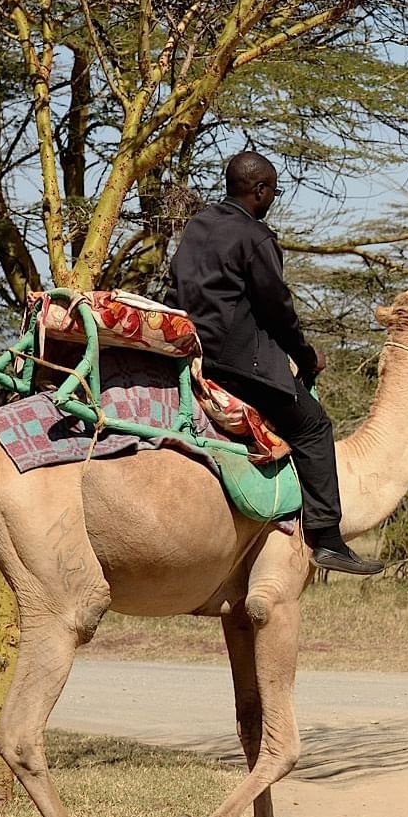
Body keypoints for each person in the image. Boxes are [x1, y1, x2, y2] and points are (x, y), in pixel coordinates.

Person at [165, 151, 382, 575]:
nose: (273, 199)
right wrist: (305, 357)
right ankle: (328, 539)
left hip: (192, 358)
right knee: (314, 426)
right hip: (240, 364)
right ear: (261, 190)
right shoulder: (256, 237)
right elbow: (277, 310)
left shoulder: (197, 226)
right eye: (274, 191)